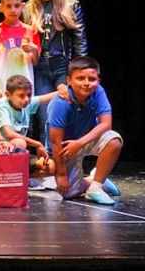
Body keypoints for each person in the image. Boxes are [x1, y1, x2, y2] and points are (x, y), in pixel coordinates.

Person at [48, 56, 122, 205]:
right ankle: (91, 179)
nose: (86, 83)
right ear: (69, 80)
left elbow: (106, 124)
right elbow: (55, 142)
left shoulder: (98, 92)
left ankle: (96, 186)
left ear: (98, 81)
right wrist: (62, 174)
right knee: (68, 193)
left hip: (84, 140)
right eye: (80, 78)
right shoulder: (60, 103)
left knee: (114, 140)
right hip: (65, 148)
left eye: (92, 79)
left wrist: (80, 143)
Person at [24, 0, 87, 119]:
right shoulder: (28, 8)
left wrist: (79, 69)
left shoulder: (71, 5)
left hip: (63, 65)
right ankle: (48, 145)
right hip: (39, 66)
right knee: (45, 114)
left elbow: (80, 40)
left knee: (65, 109)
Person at [0, 74, 61, 185]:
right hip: (0, 155)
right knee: (19, 142)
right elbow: (9, 134)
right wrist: (37, 144)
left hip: (19, 155)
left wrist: (66, 89)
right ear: (8, 95)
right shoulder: (3, 104)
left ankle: (22, 177)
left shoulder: (25, 104)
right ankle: (12, 177)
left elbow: (47, 97)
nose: (26, 99)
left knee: (54, 167)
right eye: (21, 96)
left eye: (29, 95)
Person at [0, 0, 40, 101]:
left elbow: (35, 62)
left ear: (23, 6)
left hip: (26, 88)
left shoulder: (31, 30)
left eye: (17, 6)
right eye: (8, 6)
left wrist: (34, 50)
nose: (13, 10)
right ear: (0, 7)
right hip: (3, 87)